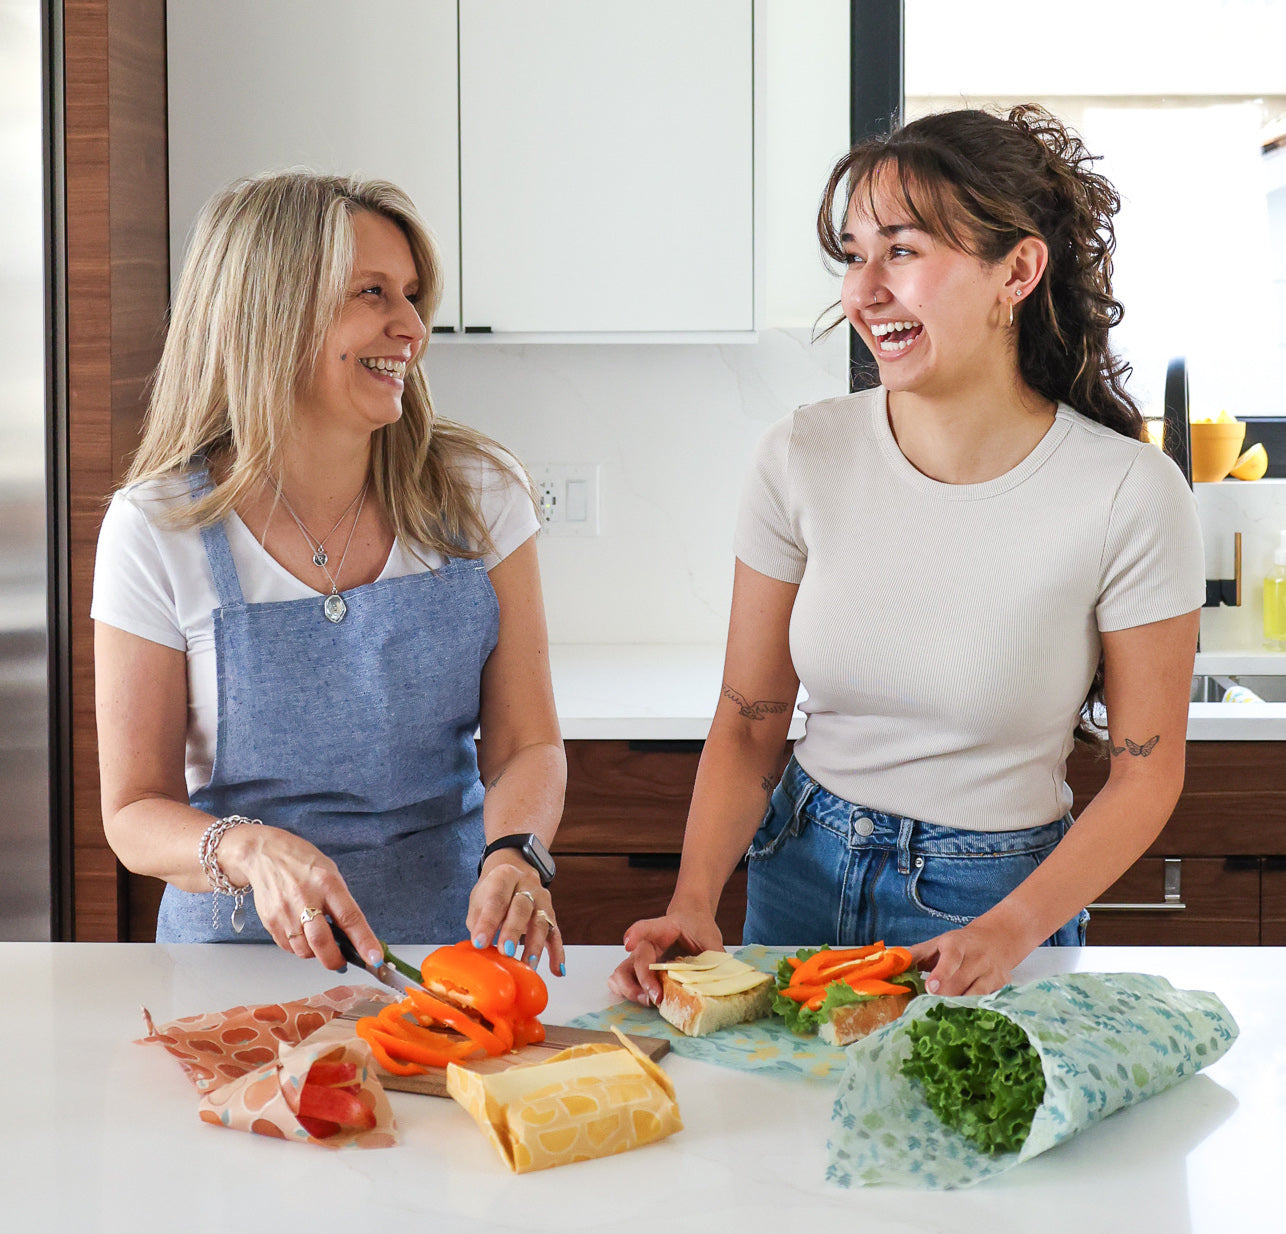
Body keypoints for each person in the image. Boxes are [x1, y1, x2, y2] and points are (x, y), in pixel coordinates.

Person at [610, 105, 1203, 1002]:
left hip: (992, 899)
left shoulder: (1128, 492)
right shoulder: (802, 454)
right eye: (853, 255)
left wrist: (1009, 931)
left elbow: (1146, 772)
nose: (864, 290)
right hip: (797, 864)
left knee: (972, 1141)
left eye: (902, 250)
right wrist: (696, 900)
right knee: (778, 1139)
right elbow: (749, 717)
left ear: (1018, 272)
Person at [93, 171, 566, 976]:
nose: (412, 327)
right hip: (239, 966)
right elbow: (134, 810)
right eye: (372, 293)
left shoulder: (481, 491)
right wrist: (242, 847)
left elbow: (528, 742)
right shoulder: (159, 526)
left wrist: (517, 852)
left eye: (413, 296)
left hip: (451, 956)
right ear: (270, 315)